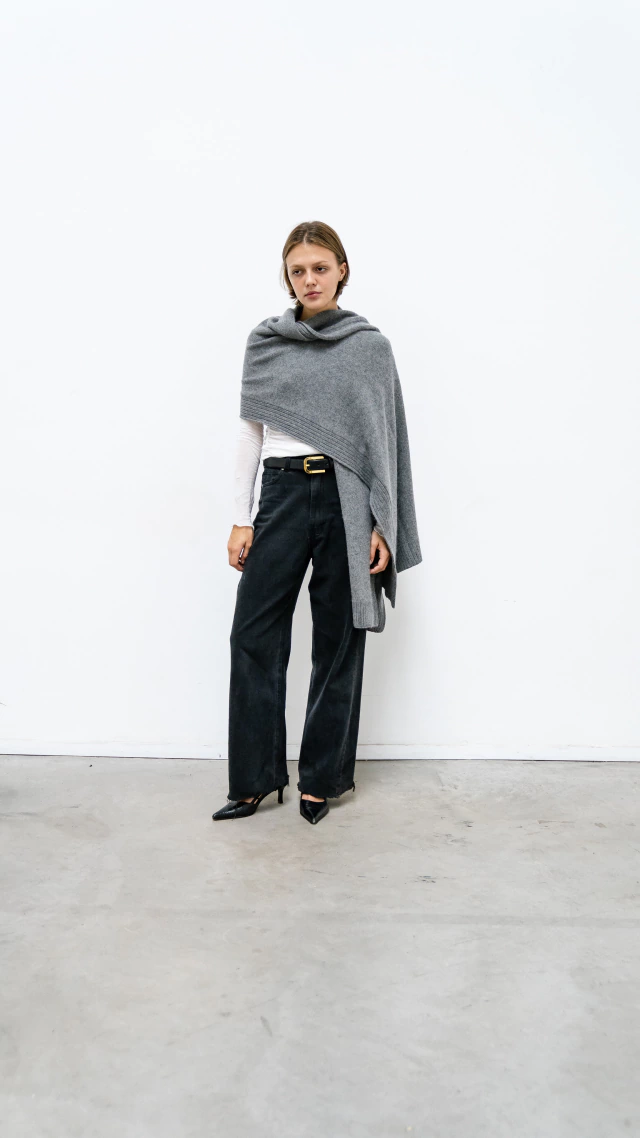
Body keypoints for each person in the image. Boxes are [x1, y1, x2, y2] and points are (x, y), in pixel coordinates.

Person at [212, 221, 421, 825]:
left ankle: (321, 780)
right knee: (253, 635)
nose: (309, 279)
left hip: (344, 499)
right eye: (298, 270)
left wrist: (381, 523)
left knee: (338, 638)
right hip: (279, 493)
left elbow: (384, 442)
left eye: (320, 268)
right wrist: (240, 518)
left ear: (341, 271)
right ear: (287, 276)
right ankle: (255, 780)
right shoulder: (265, 342)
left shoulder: (368, 346)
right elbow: (250, 433)